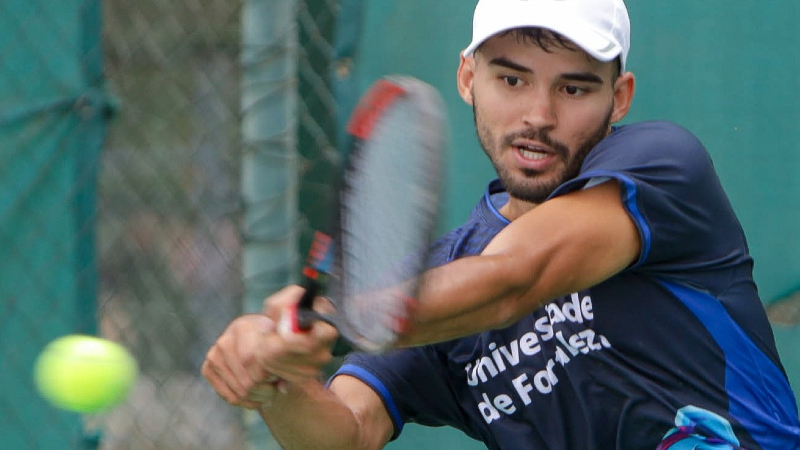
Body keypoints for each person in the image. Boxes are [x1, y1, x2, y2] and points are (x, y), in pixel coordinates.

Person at [202, 0, 800, 448]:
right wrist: (277, 381)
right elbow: (348, 432)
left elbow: (515, 277)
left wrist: (330, 319)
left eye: (574, 88)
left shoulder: (665, 168)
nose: (539, 115)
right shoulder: (435, 287)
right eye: (512, 80)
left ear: (619, 97)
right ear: (468, 79)